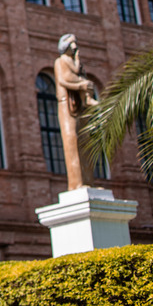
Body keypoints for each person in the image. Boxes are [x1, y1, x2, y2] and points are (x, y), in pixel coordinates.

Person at [54, 33, 100, 189]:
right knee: (72, 141)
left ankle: (88, 181)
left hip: (80, 105)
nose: (74, 47)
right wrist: (81, 85)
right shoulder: (60, 62)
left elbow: (76, 73)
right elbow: (64, 79)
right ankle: (76, 183)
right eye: (71, 44)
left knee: (84, 142)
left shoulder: (74, 62)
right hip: (68, 105)